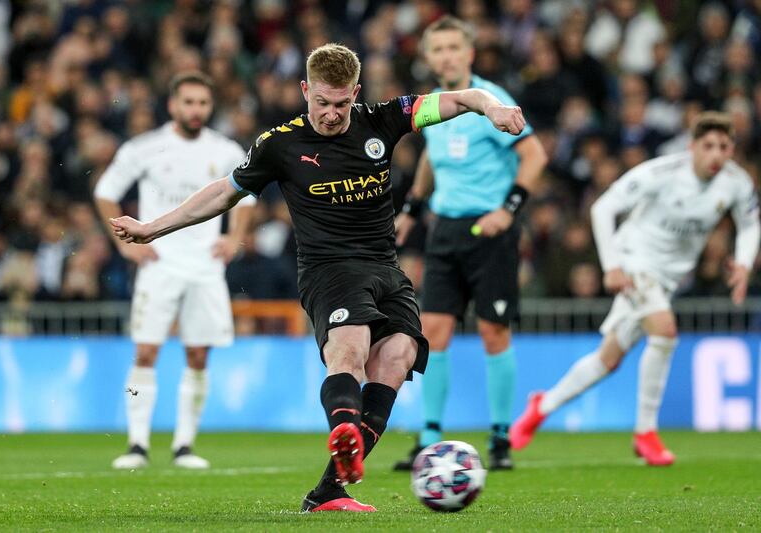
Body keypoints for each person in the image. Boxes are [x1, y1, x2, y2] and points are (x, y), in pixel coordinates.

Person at [109, 43, 525, 511]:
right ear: (305, 90)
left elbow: (457, 99)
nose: (331, 114)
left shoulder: (383, 119)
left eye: (342, 104)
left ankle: (329, 491)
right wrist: (152, 227)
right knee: (349, 349)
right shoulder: (280, 144)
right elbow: (221, 194)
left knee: (399, 355)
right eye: (322, 103)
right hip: (329, 271)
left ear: (356, 94)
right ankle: (344, 428)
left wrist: (492, 107)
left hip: (385, 268)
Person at [510, 112, 760, 465]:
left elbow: (750, 225)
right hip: (634, 261)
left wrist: (745, 263)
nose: (716, 154)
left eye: (723, 146)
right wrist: (612, 265)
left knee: (608, 360)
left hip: (669, 278)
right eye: (708, 146)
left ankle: (541, 406)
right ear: (692, 147)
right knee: (665, 331)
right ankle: (646, 433)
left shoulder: (737, 183)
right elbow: (603, 208)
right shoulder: (662, 173)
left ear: (732, 149)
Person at [392, 15, 548, 472]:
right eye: (437, 49)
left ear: (470, 53)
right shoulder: (436, 106)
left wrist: (509, 209)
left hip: (490, 231)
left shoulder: (491, 100)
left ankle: (500, 437)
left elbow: (534, 154)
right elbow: (430, 160)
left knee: (492, 331)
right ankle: (429, 438)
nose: (446, 56)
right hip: (445, 231)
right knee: (433, 334)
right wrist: (411, 211)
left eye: (453, 48)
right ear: (428, 57)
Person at [94, 71, 255, 470]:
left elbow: (248, 197)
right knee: (146, 350)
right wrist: (122, 246)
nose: (196, 109)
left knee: (198, 355)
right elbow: (105, 193)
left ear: (210, 106)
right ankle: (137, 445)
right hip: (160, 265)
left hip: (205, 267)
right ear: (173, 105)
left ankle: (184, 445)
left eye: (202, 103)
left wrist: (233, 239)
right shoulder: (145, 148)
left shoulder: (226, 148)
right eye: (188, 102)